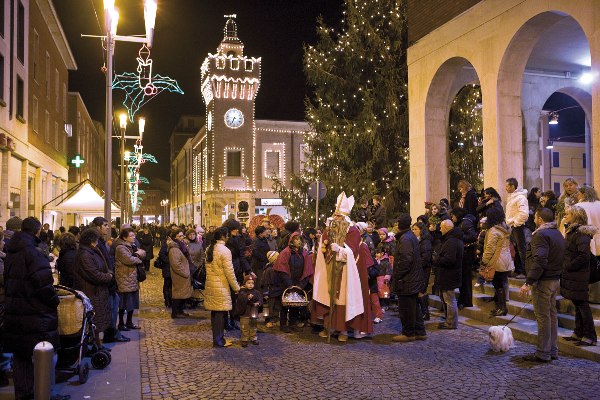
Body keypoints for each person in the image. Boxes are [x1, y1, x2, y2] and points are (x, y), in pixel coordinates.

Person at [3, 217, 70, 400]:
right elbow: (43, 285)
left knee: (21, 356)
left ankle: (23, 394)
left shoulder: (11, 252)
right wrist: (54, 300)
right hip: (35, 313)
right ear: (38, 231)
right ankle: (43, 393)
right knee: (45, 353)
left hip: (15, 312)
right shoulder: (33, 253)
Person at [519, 207, 566, 363]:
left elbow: (540, 259)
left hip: (544, 281)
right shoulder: (557, 233)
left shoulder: (540, 235)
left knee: (543, 317)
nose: (533, 220)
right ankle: (552, 350)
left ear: (540, 219)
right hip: (554, 279)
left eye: (535, 217)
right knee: (551, 316)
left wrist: (529, 281)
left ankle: (543, 353)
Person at [560, 205, 597, 346]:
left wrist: (569, 266)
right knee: (577, 303)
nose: (565, 216)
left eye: (568, 214)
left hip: (578, 274)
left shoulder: (581, 234)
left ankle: (590, 336)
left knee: (582, 304)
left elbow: (583, 256)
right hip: (573, 274)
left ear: (575, 216)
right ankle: (578, 332)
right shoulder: (572, 232)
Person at [72, 228, 113, 350]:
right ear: (91, 241)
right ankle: (94, 345)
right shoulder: (85, 254)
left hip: (98, 291)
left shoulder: (92, 251)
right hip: (91, 291)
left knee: (97, 320)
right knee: (93, 320)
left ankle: (97, 344)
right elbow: (93, 274)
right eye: (96, 240)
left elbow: (103, 266)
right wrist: (108, 276)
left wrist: (108, 273)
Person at [204, 227, 240, 348]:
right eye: (228, 235)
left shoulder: (210, 248)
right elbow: (229, 272)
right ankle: (219, 340)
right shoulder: (224, 250)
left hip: (211, 284)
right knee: (220, 314)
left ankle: (218, 339)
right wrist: (236, 287)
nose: (229, 237)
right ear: (224, 236)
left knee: (215, 313)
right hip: (221, 285)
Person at [392, 214, 426, 342]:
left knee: (406, 308)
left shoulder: (405, 239)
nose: (395, 226)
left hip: (407, 280)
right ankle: (419, 331)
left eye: (397, 223)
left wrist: (398, 275)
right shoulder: (409, 236)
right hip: (412, 279)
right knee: (414, 306)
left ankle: (409, 333)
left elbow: (406, 260)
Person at [273, 232, 314, 333]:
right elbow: (282, 269)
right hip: (287, 282)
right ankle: (283, 324)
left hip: (299, 282)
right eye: (296, 239)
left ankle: (293, 323)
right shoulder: (285, 252)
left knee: (296, 303)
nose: (298, 241)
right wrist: (289, 284)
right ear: (291, 241)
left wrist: (301, 285)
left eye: (299, 239)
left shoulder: (304, 253)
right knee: (284, 303)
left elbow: (308, 270)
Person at [480, 208, 514, 317]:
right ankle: (500, 305)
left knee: (498, 284)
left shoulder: (494, 231)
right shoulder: (505, 228)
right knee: (501, 282)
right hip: (505, 259)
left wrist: (484, 262)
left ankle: (502, 308)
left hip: (497, 261)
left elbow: (490, 249)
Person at [115, 228, 145, 332]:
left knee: (131, 301)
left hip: (131, 277)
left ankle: (129, 322)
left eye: (134, 235)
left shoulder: (132, 246)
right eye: (131, 236)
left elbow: (142, 253)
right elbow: (129, 259)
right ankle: (121, 324)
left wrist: (138, 255)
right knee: (123, 302)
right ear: (124, 237)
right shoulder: (121, 247)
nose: (134, 237)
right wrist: (138, 257)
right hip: (124, 277)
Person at [435, 220, 463, 330]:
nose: (440, 230)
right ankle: (449, 320)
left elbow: (449, 259)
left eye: (441, 228)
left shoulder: (452, 241)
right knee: (448, 299)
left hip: (449, 274)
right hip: (449, 274)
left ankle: (451, 323)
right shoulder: (452, 239)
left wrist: (436, 259)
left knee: (450, 300)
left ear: (446, 228)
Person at [451, 207, 478, 308]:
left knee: (465, 279)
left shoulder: (465, 223)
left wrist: (458, 236)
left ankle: (466, 301)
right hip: (464, 253)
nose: (452, 218)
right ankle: (463, 299)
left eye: (453, 216)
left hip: (467, 254)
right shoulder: (461, 223)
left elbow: (472, 237)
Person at [505, 177, 529, 278]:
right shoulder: (511, 197)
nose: (505, 188)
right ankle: (518, 270)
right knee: (515, 248)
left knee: (521, 249)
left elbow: (524, 213)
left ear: (513, 186)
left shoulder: (520, 197)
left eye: (507, 186)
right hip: (512, 226)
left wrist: (515, 223)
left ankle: (525, 271)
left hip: (517, 226)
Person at [167, 229, 193, 319]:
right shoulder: (174, 249)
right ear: (175, 237)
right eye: (180, 236)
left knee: (182, 295)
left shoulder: (180, 246)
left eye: (183, 236)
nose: (182, 238)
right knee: (178, 295)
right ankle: (175, 313)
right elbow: (176, 264)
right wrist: (185, 273)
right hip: (179, 275)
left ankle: (180, 311)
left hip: (183, 274)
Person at [412, 221, 433, 321]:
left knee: (421, 291)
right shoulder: (417, 240)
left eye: (416, 229)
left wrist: (417, 264)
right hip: (418, 269)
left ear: (421, 230)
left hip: (424, 269)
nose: (414, 231)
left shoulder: (425, 242)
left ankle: (425, 313)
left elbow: (425, 257)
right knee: (419, 290)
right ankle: (422, 312)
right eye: (413, 229)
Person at [234, 275, 263, 347]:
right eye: (248, 283)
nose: (251, 285)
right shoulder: (242, 292)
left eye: (252, 283)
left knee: (253, 326)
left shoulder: (256, 292)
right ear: (245, 284)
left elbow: (260, 299)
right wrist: (247, 298)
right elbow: (240, 300)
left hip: (253, 313)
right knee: (244, 327)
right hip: (244, 314)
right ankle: (244, 339)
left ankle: (253, 338)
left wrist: (258, 303)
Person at [261, 251, 280, 328]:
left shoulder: (278, 268)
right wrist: (265, 293)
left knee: (277, 306)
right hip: (271, 291)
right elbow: (265, 282)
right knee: (269, 307)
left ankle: (275, 319)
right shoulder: (269, 270)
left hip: (277, 290)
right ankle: (268, 320)